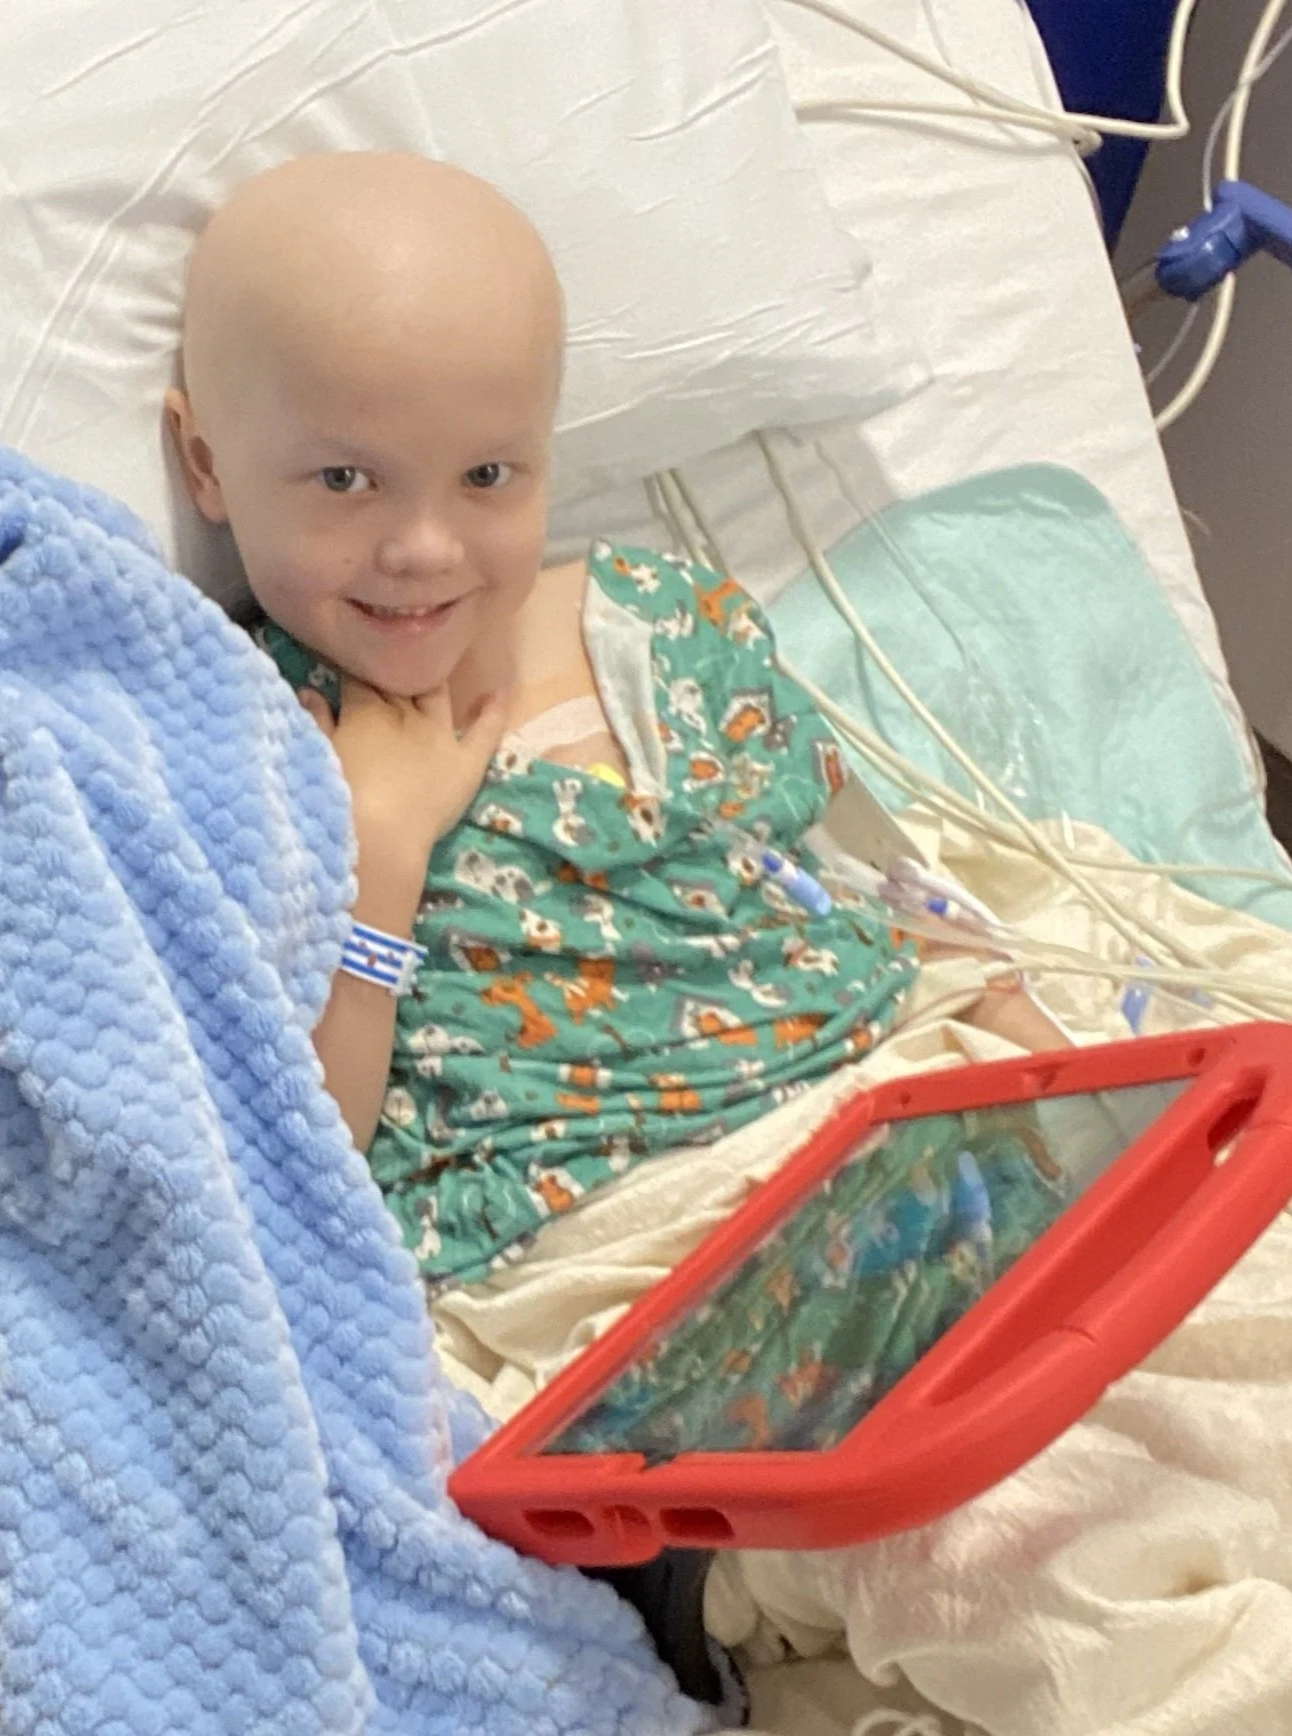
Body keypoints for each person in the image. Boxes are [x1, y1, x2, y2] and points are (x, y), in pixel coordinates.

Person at [164, 149, 1065, 1299]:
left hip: (881, 1120)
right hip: (610, 1266)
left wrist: (1052, 1060)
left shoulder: (666, 625)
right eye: (345, 479)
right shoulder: (234, 736)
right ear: (207, 462)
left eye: (487, 472)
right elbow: (297, 1161)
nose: (422, 548)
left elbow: (878, 887)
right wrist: (378, 859)